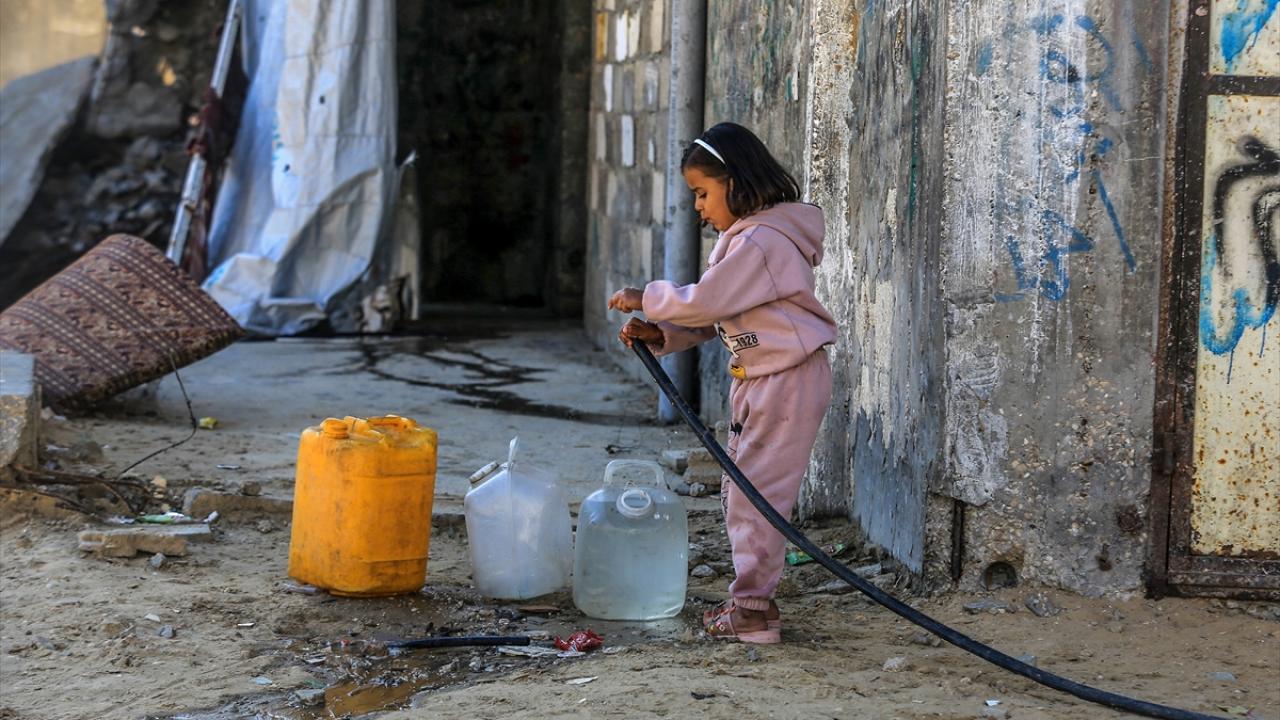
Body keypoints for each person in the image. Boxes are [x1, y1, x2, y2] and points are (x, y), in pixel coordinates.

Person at [608, 122, 837, 644]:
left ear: (734, 183)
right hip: (764, 378)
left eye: (702, 193)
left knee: (758, 495)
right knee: (743, 492)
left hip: (787, 380)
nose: (698, 207)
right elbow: (717, 319)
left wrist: (646, 296)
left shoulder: (761, 241)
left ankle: (754, 611)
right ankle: (751, 602)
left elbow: (707, 302)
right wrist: (662, 333)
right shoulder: (750, 241)